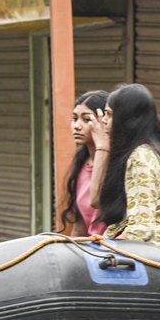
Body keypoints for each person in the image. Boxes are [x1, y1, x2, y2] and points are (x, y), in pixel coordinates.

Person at [91, 83, 160, 254]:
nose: (103, 120)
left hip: (150, 260)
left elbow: (140, 229)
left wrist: (104, 251)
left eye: (109, 114)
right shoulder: (146, 152)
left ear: (126, 119)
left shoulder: (140, 158)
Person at [59, 90, 109, 237]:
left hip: (115, 252)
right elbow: (79, 228)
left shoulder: (119, 164)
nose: (77, 126)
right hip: (91, 250)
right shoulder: (80, 164)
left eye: (86, 120)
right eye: (74, 118)